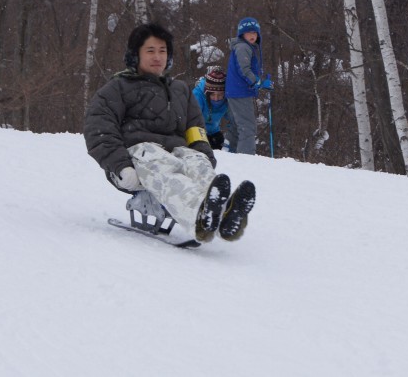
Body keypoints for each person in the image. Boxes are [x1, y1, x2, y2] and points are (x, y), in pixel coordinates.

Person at [84, 23, 256, 242]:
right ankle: (200, 216)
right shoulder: (118, 87)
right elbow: (99, 129)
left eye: (162, 51)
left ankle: (224, 213)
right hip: (137, 156)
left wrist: (204, 155)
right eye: (150, 51)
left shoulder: (180, 90)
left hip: (176, 150)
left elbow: (195, 129)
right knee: (167, 168)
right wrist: (120, 166)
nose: (158, 57)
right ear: (135, 55)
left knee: (196, 163)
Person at [224, 17, 273, 155]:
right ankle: (246, 157)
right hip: (240, 91)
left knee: (236, 125)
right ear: (242, 34)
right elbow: (244, 69)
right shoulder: (243, 47)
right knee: (247, 126)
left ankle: (228, 151)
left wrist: (260, 82)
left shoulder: (246, 47)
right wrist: (258, 82)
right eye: (249, 32)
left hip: (238, 90)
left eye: (255, 33)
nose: (252, 35)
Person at [192, 66, 230, 150]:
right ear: (207, 93)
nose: (216, 99)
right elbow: (193, 120)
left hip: (214, 130)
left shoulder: (228, 100)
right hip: (197, 130)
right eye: (212, 95)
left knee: (220, 147)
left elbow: (233, 120)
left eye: (220, 95)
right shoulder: (197, 96)